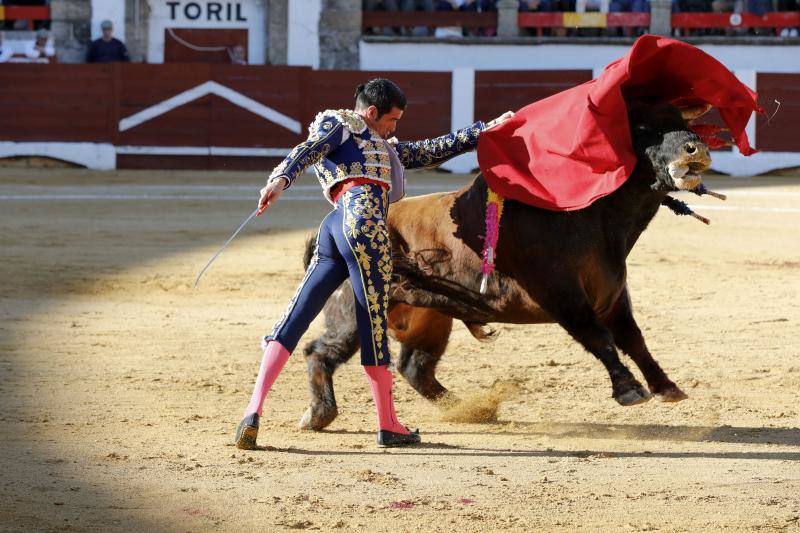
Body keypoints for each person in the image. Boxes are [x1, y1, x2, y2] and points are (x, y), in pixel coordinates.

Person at [235, 78, 513, 449]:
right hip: (365, 224)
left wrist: (485, 129)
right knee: (373, 327)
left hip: (333, 227)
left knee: (295, 316)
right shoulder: (341, 124)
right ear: (370, 112)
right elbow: (310, 148)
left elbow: (431, 150)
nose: (394, 129)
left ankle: (253, 411)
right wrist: (280, 180)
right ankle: (388, 425)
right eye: (391, 120)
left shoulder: (380, 145)